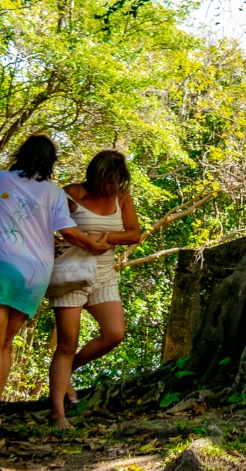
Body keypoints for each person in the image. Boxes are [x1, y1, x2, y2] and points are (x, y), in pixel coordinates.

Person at [0, 136, 110, 428]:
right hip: (34, 273)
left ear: (22, 154)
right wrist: (94, 246)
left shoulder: (1, 179)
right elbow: (69, 232)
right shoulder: (54, 193)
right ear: (50, 163)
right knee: (5, 342)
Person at [47, 150, 142, 428]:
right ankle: (57, 413)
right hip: (71, 276)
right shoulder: (72, 194)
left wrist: (106, 236)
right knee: (67, 344)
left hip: (104, 276)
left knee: (114, 333)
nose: (110, 187)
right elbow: (46, 225)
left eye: (115, 182)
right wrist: (58, 241)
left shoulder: (121, 197)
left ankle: (68, 372)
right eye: (106, 181)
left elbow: (134, 234)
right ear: (95, 176)